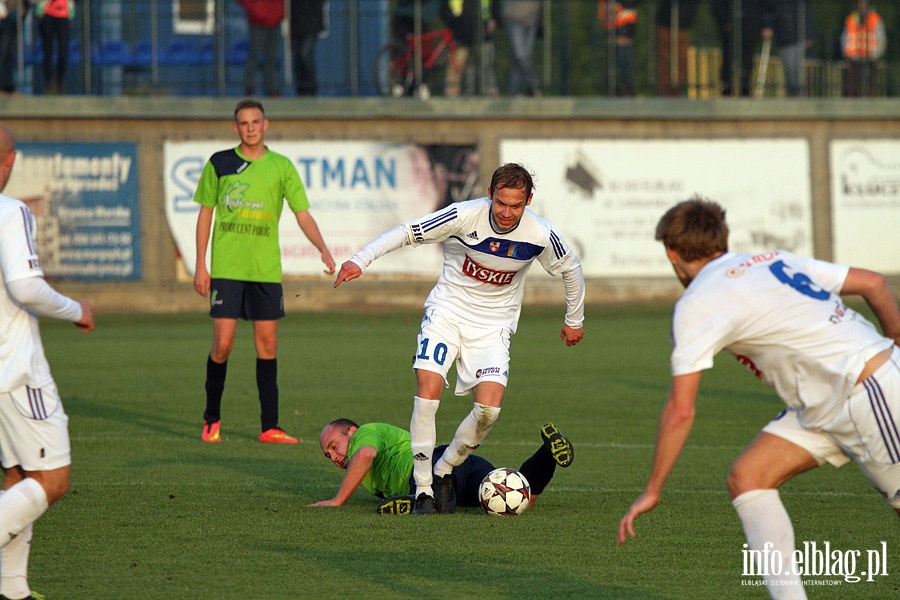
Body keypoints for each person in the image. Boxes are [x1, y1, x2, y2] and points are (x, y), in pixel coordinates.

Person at [618, 198, 900, 599]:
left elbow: (680, 410)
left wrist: (653, 488)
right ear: (723, 239)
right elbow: (873, 283)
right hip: (826, 403)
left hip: (868, 393)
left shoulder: (696, 303)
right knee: (749, 478)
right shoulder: (769, 259)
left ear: (672, 252)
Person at [333, 162, 585, 515]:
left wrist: (574, 319)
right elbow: (408, 231)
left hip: (493, 328)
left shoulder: (540, 234)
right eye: (501, 203)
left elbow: (571, 267)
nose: (508, 212)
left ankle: (444, 469)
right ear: (490, 195)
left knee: (488, 411)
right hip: (446, 314)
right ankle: (423, 489)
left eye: (516, 205)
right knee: (428, 388)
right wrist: (361, 260)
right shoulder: (463, 216)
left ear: (529, 200)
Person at [193, 99, 335, 445]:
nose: (250, 127)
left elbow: (302, 213)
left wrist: (322, 247)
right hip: (227, 268)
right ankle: (212, 418)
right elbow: (205, 214)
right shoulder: (220, 163)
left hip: (266, 270)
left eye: (256, 121)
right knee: (222, 345)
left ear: (266, 124)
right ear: (235, 127)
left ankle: (269, 426)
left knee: (267, 345)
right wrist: (200, 264)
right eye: (244, 123)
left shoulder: (281, 167)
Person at [0, 122, 95, 600]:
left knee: (16, 476)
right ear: (10, 161)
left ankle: (12, 588)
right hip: (14, 372)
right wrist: (76, 308)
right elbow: (24, 287)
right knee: (52, 480)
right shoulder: (10, 210)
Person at [310, 419, 574, 513]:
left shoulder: (364, 434)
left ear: (351, 431)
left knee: (434, 501)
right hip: (464, 465)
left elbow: (366, 454)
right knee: (515, 496)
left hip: (434, 466)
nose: (333, 456)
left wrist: (338, 500)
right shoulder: (361, 467)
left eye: (334, 446)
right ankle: (547, 455)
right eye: (327, 455)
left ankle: (422, 501)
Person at [711, 0, 765, 97]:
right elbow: (718, 6)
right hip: (729, 28)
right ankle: (727, 86)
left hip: (749, 25)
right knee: (728, 57)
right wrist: (724, 22)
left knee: (746, 58)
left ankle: (745, 86)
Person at [762, 0, 815, 98]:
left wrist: (809, 35)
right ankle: (793, 92)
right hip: (783, 39)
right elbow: (770, 14)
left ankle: (797, 91)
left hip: (797, 37)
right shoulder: (776, 3)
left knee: (796, 65)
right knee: (788, 66)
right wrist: (768, 27)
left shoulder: (799, 4)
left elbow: (807, 15)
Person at [238, 0, 284, 97]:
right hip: (257, 21)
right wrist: (255, 9)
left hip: (276, 19)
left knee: (271, 58)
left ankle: (272, 90)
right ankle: (249, 91)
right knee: (254, 57)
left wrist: (280, 11)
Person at [841, 0, 886, 97]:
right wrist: (848, 53)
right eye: (859, 2)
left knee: (870, 87)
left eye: (863, 2)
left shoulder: (875, 19)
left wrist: (874, 54)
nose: (861, 5)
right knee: (851, 88)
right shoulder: (852, 19)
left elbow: (881, 40)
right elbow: (845, 38)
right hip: (854, 59)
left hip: (870, 58)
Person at [655, 0, 700, 96]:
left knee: (682, 60)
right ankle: (664, 91)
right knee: (664, 58)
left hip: (684, 24)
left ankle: (675, 90)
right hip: (666, 22)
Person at [598, 1, 639, 97]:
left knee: (626, 66)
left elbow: (630, 20)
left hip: (626, 39)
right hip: (615, 40)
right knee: (615, 66)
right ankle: (613, 90)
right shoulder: (608, 4)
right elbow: (605, 19)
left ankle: (626, 90)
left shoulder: (629, 6)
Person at [501, 0, 542, 97]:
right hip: (513, 18)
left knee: (521, 58)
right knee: (520, 55)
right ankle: (532, 82)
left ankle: (515, 91)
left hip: (532, 20)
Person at [35, 0, 73, 95]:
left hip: (65, 16)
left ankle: (59, 83)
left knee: (63, 51)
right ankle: (48, 84)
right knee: (48, 51)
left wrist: (71, 13)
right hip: (46, 14)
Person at [290, 0, 326, 96]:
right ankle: (301, 89)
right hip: (295, 24)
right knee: (297, 58)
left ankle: (311, 87)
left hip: (311, 23)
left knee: (305, 54)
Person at [0, 1, 29, 96]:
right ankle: (3, 86)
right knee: (4, 51)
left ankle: (8, 87)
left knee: (10, 53)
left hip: (14, 14)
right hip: (4, 14)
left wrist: (24, 7)